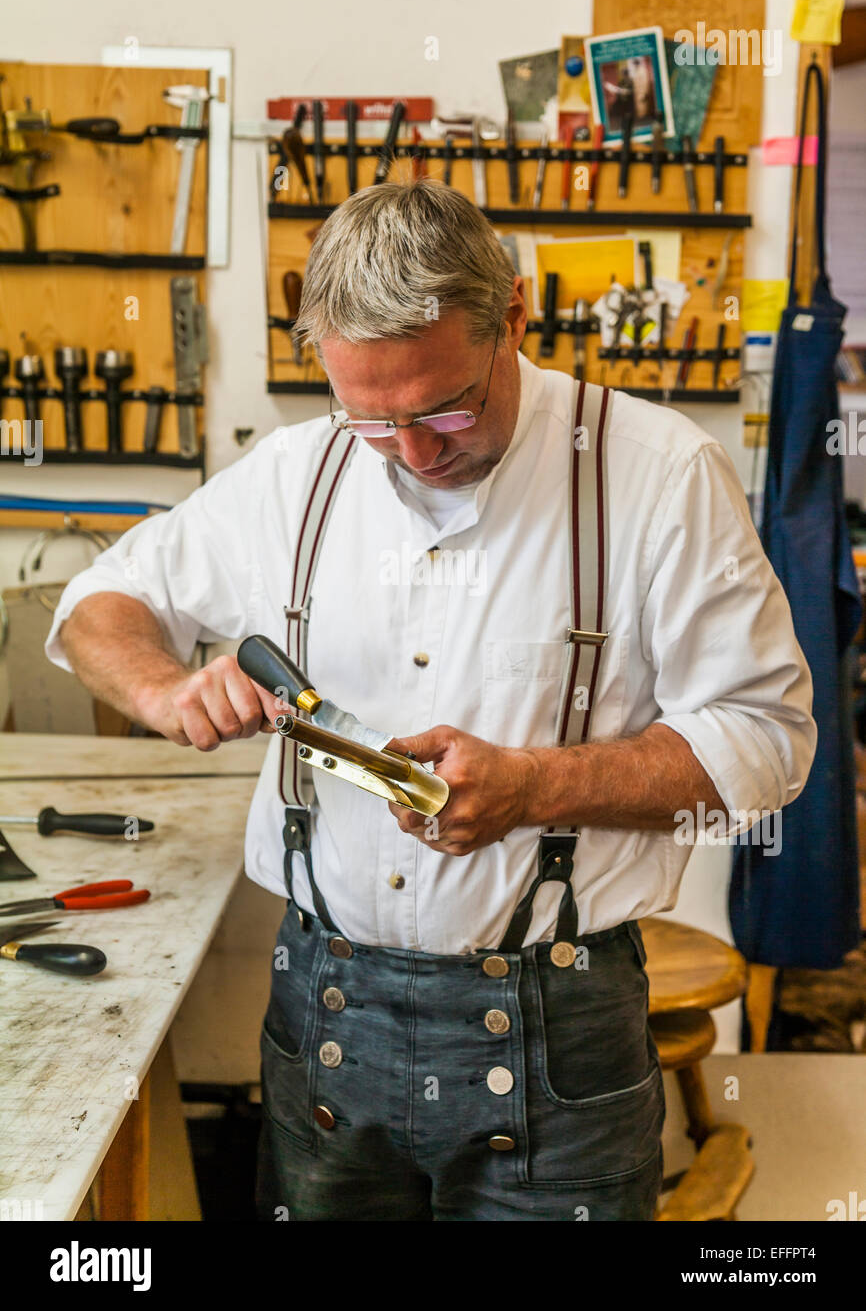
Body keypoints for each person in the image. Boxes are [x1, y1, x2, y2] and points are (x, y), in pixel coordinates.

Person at [46, 180, 815, 1222]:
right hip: (322, 1012)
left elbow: (765, 741)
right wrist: (167, 685)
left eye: (445, 408)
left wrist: (537, 785)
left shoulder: (653, 473)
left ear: (512, 316)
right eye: (370, 418)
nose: (412, 452)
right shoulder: (294, 474)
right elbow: (101, 601)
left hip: (557, 1030)